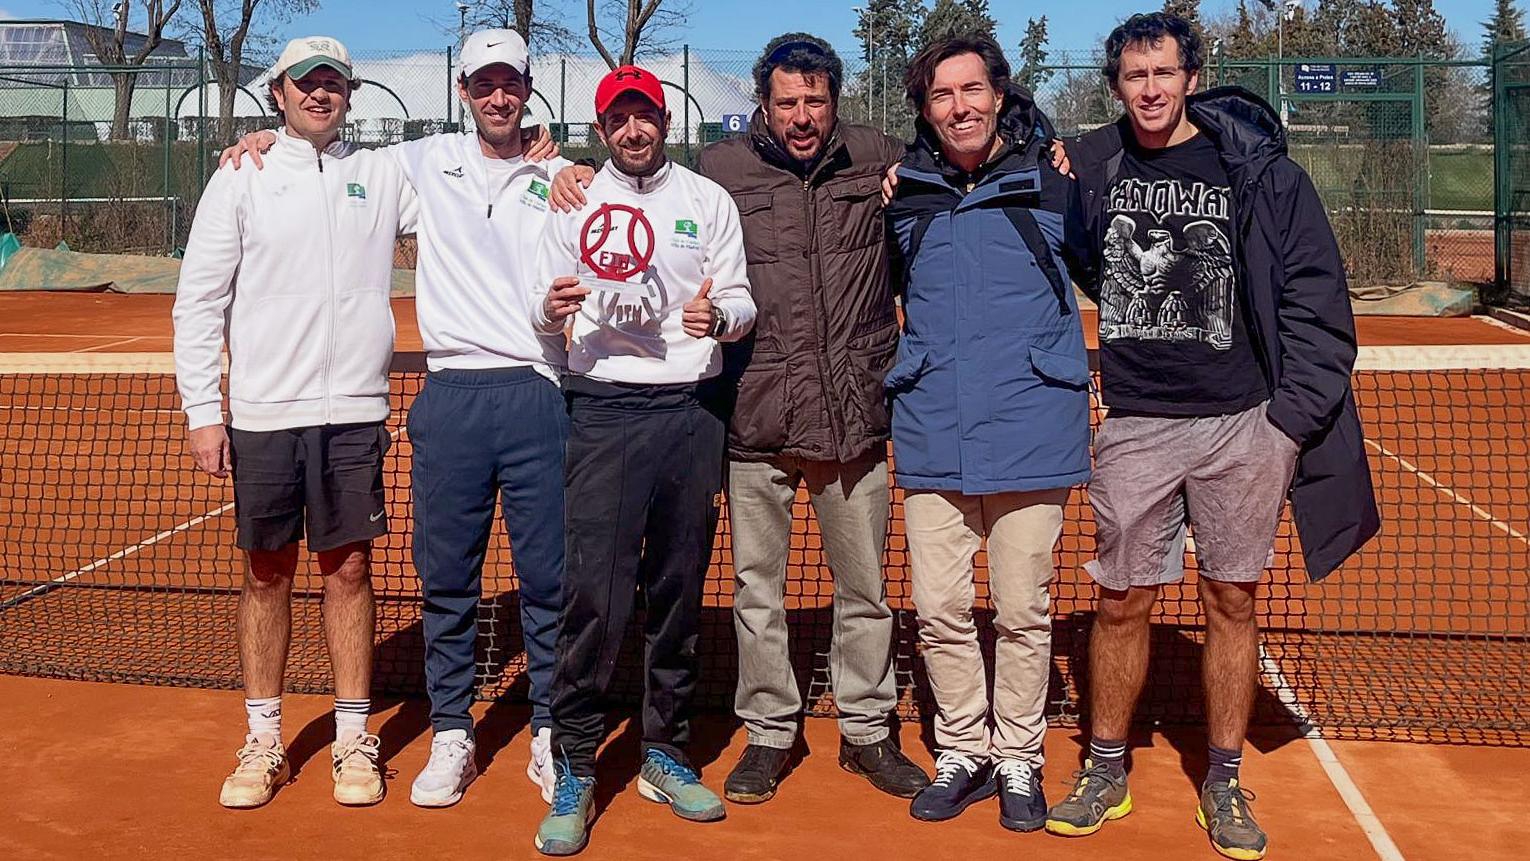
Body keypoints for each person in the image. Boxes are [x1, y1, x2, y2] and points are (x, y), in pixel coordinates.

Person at [1046, 14, 1378, 860]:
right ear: (1115, 83)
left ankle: (1224, 777)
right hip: (1136, 424)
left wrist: (1287, 423)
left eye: (1162, 72)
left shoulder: (1262, 173)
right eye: (1132, 75)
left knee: (1232, 599)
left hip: (1244, 425)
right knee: (1122, 600)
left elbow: (1316, 297)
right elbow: (999, 157)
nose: (1149, 89)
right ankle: (1105, 766)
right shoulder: (1087, 164)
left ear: (1192, 76)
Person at [220, 29, 570, 808]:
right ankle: (452, 733)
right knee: (447, 581)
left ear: (527, 87)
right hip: (449, 395)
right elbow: (307, 148)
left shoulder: (555, 173)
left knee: (548, 578)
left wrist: (567, 163)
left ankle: (549, 731)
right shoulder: (412, 162)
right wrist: (260, 140)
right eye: (484, 83)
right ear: (464, 91)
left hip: (538, 390)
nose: (498, 96)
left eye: (510, 81)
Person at [174, 36, 417, 809]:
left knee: (348, 570)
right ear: (277, 94)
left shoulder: (381, 174)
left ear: (349, 94)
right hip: (263, 415)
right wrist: (204, 412)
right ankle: (264, 737)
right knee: (264, 571)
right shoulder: (241, 177)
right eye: (305, 83)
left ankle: (352, 739)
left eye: (333, 83)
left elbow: (476, 175)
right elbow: (199, 301)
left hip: (352, 414)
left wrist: (556, 158)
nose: (321, 94)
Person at [530, 64, 755, 856]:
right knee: (593, 594)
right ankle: (576, 763)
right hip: (602, 410)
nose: (634, 130)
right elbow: (539, 306)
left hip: (691, 413)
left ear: (664, 121)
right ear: (602, 128)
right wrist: (550, 311)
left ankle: (664, 749)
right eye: (619, 118)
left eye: (646, 116)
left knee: (676, 588)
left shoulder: (706, 200)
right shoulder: (573, 199)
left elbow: (744, 300)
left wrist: (720, 313)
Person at [884, 33, 1090, 833]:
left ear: (1000, 96)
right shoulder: (904, 195)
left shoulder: (1056, 183)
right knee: (936, 606)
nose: (960, 107)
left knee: (1021, 610)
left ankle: (1019, 759)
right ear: (926, 110)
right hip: (935, 424)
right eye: (942, 95)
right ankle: (963, 748)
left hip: (1032, 424)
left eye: (973, 91)